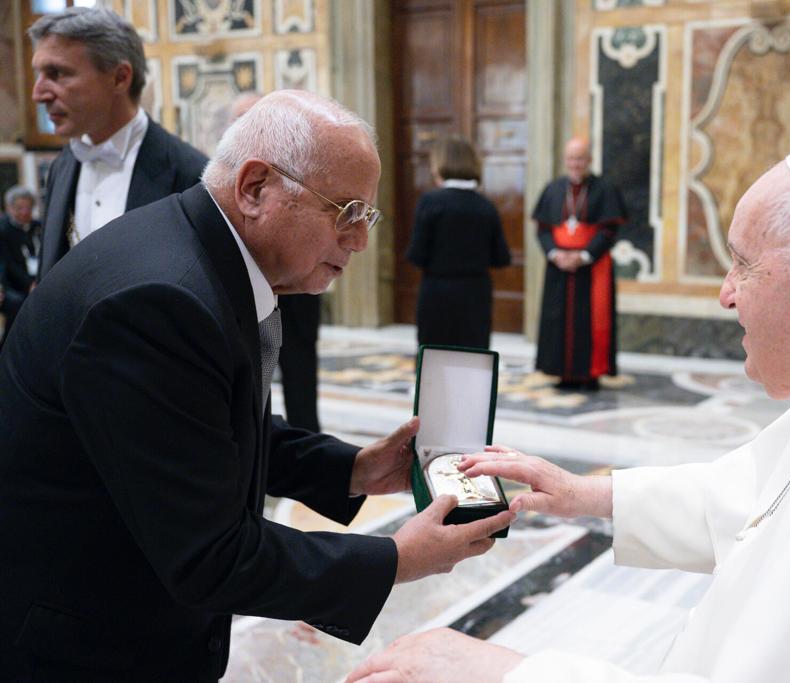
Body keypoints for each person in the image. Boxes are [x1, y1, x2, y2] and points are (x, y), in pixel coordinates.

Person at [346, 141, 790, 682]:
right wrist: (590, 493)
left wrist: (502, 672)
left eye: (742, 264)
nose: (726, 294)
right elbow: (757, 498)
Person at [0, 90, 514, 682]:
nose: (359, 240)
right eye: (345, 210)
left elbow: (203, 427)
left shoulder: (196, 255)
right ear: (254, 188)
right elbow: (212, 555)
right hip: (84, 644)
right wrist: (397, 558)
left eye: (366, 216)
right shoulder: (159, 300)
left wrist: (355, 469)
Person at [28, 6, 207, 282]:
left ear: (120, 77)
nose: (38, 94)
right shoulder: (62, 167)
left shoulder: (191, 174)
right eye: (38, 74)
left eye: (56, 73)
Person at [232, 90, 322, 431]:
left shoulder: (302, 170)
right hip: (242, 294)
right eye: (240, 120)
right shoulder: (223, 179)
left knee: (300, 372)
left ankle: (306, 438)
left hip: (295, 294)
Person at [532, 136, 626, 390]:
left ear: (590, 160)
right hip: (558, 267)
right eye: (572, 158)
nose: (576, 163)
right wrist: (555, 254)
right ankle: (562, 373)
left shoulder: (604, 189)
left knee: (590, 320)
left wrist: (583, 255)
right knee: (557, 320)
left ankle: (590, 375)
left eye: (580, 158)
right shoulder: (553, 189)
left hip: (592, 267)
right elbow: (542, 230)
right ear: (566, 160)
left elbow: (608, 231)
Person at [407, 135, 511, 348]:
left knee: (435, 358)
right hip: (476, 293)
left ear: (441, 165)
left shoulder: (430, 202)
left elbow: (417, 255)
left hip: (437, 293)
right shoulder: (485, 205)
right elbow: (501, 257)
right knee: (472, 357)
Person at [0, 186, 42, 343]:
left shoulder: (39, 227)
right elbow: (7, 265)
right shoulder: (3, 229)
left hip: (38, 280)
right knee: (19, 304)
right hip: (13, 285)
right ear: (9, 208)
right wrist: (28, 284)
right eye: (19, 208)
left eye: (28, 208)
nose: (25, 212)